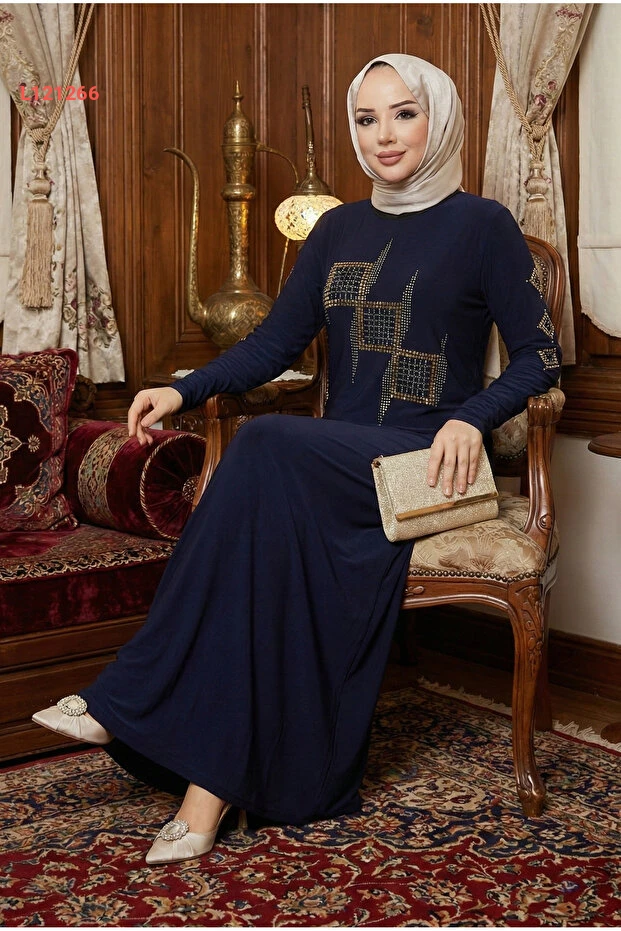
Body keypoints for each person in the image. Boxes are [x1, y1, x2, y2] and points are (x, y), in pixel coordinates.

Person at [32, 54, 561, 866]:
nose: (383, 135)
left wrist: (470, 416)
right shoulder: (337, 230)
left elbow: (539, 358)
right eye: (366, 119)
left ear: (440, 118)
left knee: (264, 444)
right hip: (331, 465)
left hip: (423, 463)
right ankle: (207, 794)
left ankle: (124, 695)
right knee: (259, 550)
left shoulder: (481, 225)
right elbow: (274, 343)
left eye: (404, 113)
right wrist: (181, 389)